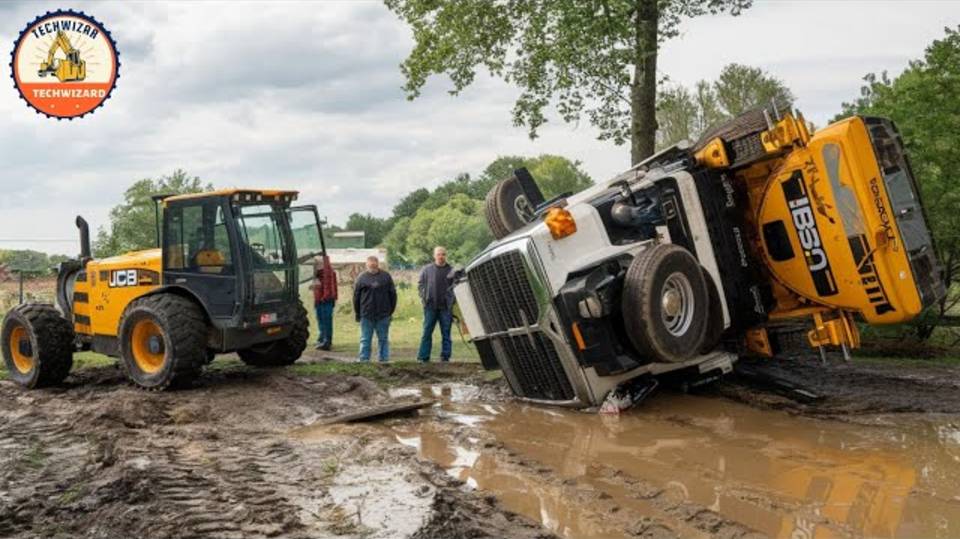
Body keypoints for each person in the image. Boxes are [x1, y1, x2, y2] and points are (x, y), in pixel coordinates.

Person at [352, 255, 396, 363]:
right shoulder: (361, 278)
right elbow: (356, 297)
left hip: (383, 314)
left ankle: (384, 359)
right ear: (367, 265)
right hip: (366, 314)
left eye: (374, 263)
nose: (372, 265)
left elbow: (393, 295)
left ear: (378, 264)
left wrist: (390, 312)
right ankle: (364, 359)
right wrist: (358, 313)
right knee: (365, 339)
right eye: (370, 264)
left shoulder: (386, 277)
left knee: (383, 339)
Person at [417, 246, 456, 363]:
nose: (441, 256)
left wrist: (452, 300)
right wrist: (424, 297)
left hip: (446, 307)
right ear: (434, 256)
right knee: (427, 332)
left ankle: (445, 356)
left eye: (443, 254)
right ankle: (423, 357)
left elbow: (457, 287)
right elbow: (420, 285)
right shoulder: (427, 269)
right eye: (438, 254)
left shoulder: (452, 270)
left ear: (446, 255)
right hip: (430, 307)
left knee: (446, 333)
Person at [309, 255, 337, 351]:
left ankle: (326, 341)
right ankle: (322, 338)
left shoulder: (328, 272)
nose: (315, 265)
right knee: (321, 319)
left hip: (325, 300)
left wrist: (325, 297)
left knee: (326, 320)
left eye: (317, 263)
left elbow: (328, 287)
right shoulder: (317, 274)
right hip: (319, 299)